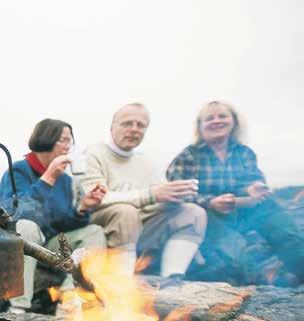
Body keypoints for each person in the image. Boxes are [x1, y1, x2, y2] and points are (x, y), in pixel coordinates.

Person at [167, 100, 304, 286]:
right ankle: (260, 279)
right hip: (208, 214)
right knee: (230, 244)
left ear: (234, 122)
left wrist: (253, 188)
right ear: (200, 126)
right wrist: (210, 202)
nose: (216, 121)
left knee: (274, 214)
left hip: (242, 210)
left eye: (222, 116)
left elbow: (252, 180)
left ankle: (299, 268)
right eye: (209, 118)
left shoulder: (244, 153)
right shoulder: (189, 155)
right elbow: (178, 190)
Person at [80, 103, 207, 285]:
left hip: (139, 230)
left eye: (140, 125)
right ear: (112, 127)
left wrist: (176, 196)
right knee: (125, 211)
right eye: (127, 123)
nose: (134, 129)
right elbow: (95, 200)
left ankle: (172, 280)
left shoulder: (147, 162)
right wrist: (152, 194)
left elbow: (156, 198)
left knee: (192, 212)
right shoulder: (94, 153)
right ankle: (122, 284)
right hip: (99, 230)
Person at [0, 118, 107, 314]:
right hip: (19, 244)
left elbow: (61, 223)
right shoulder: (18, 171)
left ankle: (69, 297)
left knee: (95, 231)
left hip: (47, 244)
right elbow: (14, 216)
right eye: (63, 140)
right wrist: (47, 179)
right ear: (46, 139)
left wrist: (82, 208)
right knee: (25, 227)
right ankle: (17, 307)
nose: (68, 147)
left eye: (70, 141)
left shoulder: (65, 180)